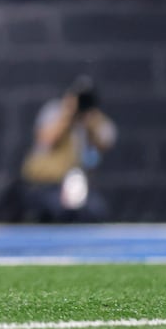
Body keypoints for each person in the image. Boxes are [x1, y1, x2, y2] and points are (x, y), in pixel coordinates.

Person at [15, 75, 118, 223]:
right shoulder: (55, 111)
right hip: (47, 185)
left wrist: (90, 120)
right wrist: (67, 114)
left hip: (76, 187)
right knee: (58, 211)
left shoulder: (91, 119)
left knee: (96, 210)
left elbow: (107, 140)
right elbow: (45, 139)